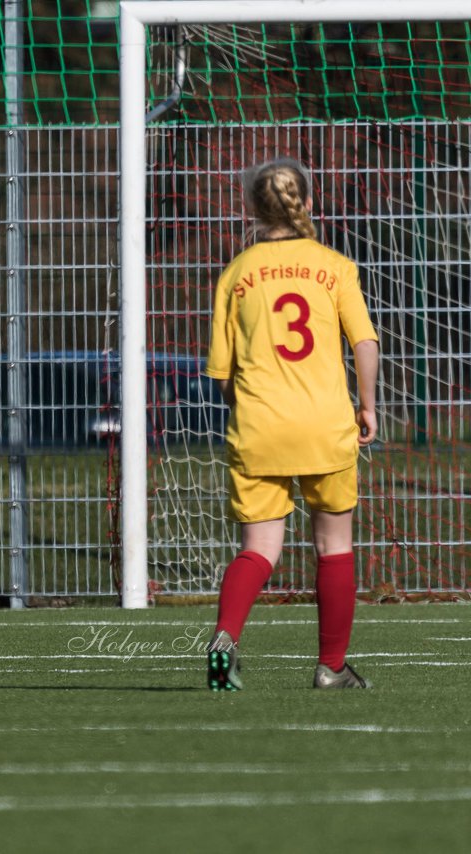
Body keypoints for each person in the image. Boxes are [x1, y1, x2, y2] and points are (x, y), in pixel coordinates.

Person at [203, 158, 379, 691]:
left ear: (253, 208)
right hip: (325, 424)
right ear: (306, 202)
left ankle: (225, 638)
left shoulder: (237, 273)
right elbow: (365, 344)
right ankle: (331, 667)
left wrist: (252, 408)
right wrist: (366, 406)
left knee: (258, 549)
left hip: (259, 427)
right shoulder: (334, 265)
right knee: (334, 545)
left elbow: (222, 372)